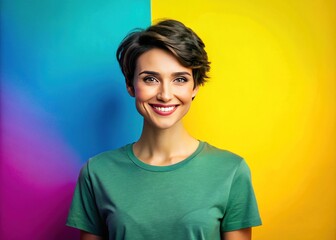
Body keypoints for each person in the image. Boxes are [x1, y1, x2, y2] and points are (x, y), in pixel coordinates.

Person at [66, 19, 262, 240]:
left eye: (180, 79)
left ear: (195, 86)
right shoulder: (97, 173)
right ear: (131, 86)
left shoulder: (231, 171)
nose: (165, 95)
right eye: (150, 79)